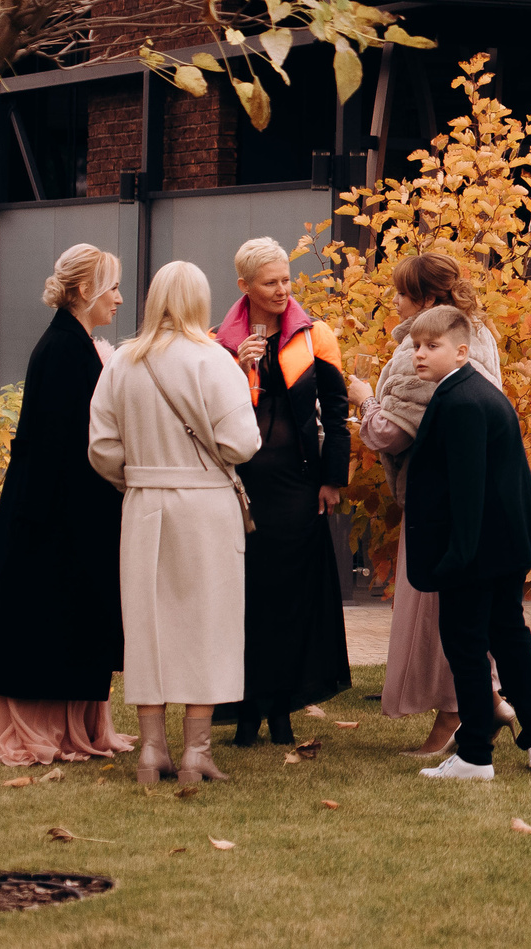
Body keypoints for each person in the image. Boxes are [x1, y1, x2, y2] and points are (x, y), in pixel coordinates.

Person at [89, 259, 262, 785]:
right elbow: (242, 443)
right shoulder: (216, 361)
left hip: (144, 505)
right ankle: (196, 753)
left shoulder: (121, 363)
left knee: (149, 626)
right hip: (206, 505)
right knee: (207, 625)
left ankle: (150, 752)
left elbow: (102, 447)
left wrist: (139, 477)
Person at [0, 244, 135, 765]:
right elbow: (64, 442)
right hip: (57, 515)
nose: (120, 299)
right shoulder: (63, 349)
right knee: (53, 614)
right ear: (84, 291)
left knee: (72, 615)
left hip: (64, 509)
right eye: (112, 288)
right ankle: (44, 727)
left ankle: (71, 723)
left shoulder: (72, 344)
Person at [349, 251, 511, 759]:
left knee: (440, 613)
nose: (393, 302)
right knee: (462, 610)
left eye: (400, 293)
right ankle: (487, 702)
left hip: (435, 499)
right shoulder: (478, 335)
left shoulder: (419, 352)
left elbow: (392, 434)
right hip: (475, 492)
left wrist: (362, 400)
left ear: (425, 298)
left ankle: (460, 715)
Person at [399, 306, 531, 779]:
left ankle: (474, 756)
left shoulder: (463, 401)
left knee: (467, 648)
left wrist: (457, 557)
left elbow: (468, 489)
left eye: (433, 346)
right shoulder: (475, 392)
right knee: (510, 641)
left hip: (475, 552)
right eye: (416, 346)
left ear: (462, 350)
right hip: (504, 546)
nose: (421, 355)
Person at [215, 236, 353, 747]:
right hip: (241, 489)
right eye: (270, 282)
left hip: (298, 487)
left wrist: (332, 480)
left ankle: (284, 712)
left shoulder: (317, 334)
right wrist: (234, 367)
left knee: (292, 598)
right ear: (244, 286)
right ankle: (249, 710)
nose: (282, 290)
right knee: (246, 600)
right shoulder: (217, 341)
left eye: (286, 280)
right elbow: (209, 417)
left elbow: (337, 418)